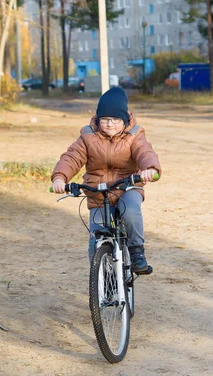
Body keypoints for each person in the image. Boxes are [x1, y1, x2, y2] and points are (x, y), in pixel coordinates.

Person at [51, 86, 161, 274]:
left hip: (127, 186)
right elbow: (71, 157)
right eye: (105, 119)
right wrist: (60, 178)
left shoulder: (134, 135)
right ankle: (101, 277)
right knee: (96, 236)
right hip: (97, 191)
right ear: (98, 119)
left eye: (115, 119)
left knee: (131, 212)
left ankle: (136, 253)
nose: (110, 124)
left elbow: (145, 152)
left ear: (124, 119)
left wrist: (149, 169)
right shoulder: (87, 136)